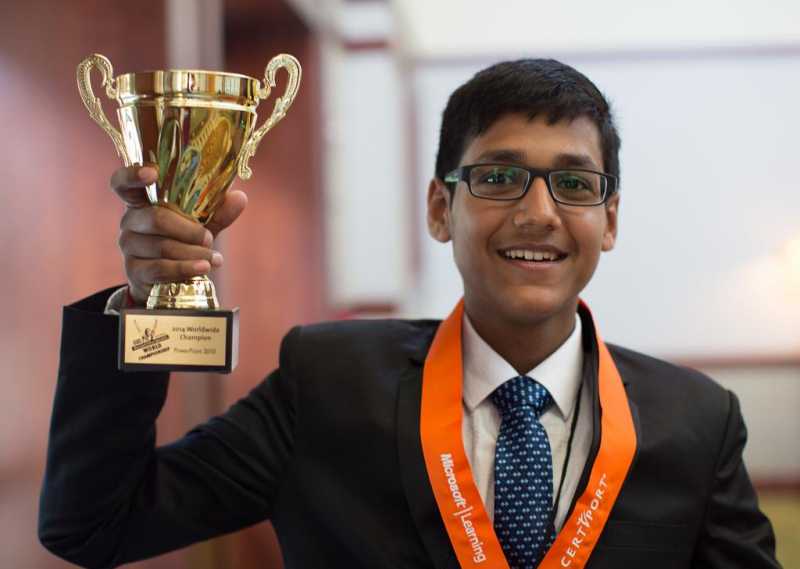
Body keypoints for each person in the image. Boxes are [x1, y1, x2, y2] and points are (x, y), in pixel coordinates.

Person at [39, 59, 781, 569]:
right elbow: (93, 525)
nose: (538, 213)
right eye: (498, 176)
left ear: (609, 219)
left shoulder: (696, 420)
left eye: (574, 184)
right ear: (439, 207)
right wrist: (146, 302)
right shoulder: (326, 383)